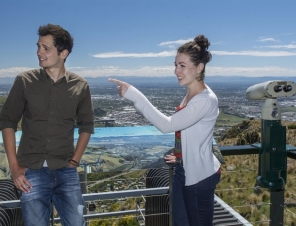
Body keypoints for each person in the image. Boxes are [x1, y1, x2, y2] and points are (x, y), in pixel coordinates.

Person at [109, 34, 221, 226]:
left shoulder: (205, 99)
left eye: (182, 66)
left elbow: (167, 125)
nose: (176, 70)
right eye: (175, 65)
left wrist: (134, 94)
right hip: (183, 168)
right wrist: (181, 155)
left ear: (199, 67)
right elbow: (191, 132)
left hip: (200, 177)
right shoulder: (192, 94)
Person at [0, 24, 94, 226]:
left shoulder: (80, 86)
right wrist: (14, 167)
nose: (39, 52)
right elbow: (7, 121)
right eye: (38, 46)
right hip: (30, 171)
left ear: (63, 53)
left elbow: (87, 125)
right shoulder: (24, 81)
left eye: (46, 48)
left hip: (66, 170)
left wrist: (75, 161)